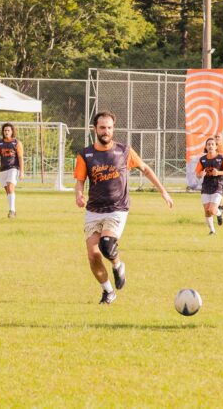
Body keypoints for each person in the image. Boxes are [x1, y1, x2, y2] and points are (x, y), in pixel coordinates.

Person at [74, 111, 173, 304]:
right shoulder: (85, 154)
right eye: (102, 128)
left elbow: (145, 169)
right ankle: (108, 291)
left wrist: (163, 191)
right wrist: (78, 194)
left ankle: (117, 265)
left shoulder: (124, 151)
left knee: (106, 244)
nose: (106, 131)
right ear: (95, 129)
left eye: (109, 128)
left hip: (117, 208)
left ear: (113, 129)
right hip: (94, 210)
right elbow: (80, 181)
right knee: (93, 255)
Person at [195, 137, 223, 235]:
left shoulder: (221, 158)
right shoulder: (202, 159)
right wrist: (201, 174)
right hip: (206, 186)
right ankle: (212, 231)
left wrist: (218, 172)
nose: (210, 146)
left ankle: (219, 214)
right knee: (207, 211)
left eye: (212, 144)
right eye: (208, 144)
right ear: (206, 147)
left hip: (217, 186)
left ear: (216, 147)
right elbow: (197, 174)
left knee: (212, 210)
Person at [0, 123, 24, 218]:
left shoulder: (17, 143)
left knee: (10, 188)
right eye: (5, 130)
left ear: (12, 132)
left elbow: (20, 157)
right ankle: (12, 210)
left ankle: (12, 211)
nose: (6, 132)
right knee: (8, 191)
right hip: (3, 169)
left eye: (8, 130)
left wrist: (22, 171)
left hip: (13, 168)